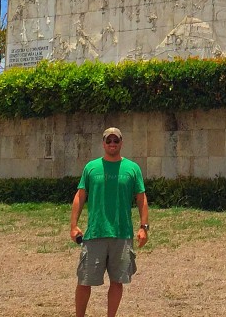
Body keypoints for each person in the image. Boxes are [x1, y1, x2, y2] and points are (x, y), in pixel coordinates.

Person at [70, 127, 149, 317]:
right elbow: (81, 196)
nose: (112, 144)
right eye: (109, 140)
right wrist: (73, 226)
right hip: (95, 233)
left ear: (121, 143)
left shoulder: (132, 168)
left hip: (121, 234)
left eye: (116, 140)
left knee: (117, 281)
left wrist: (143, 227)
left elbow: (141, 198)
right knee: (84, 280)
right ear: (103, 143)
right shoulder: (91, 168)